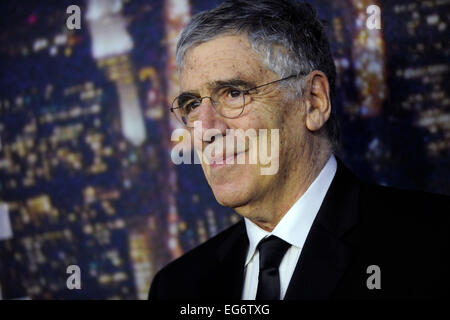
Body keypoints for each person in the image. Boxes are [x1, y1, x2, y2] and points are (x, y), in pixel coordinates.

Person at [148, 0, 449, 300]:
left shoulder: (432, 244)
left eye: (234, 94)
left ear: (314, 101)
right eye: (192, 105)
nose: (207, 129)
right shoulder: (176, 287)